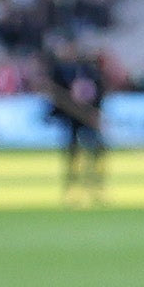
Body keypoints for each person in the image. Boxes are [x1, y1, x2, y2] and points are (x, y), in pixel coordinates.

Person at [42, 42, 110, 203]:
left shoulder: (89, 70)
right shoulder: (59, 71)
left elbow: (99, 90)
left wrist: (96, 111)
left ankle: (96, 186)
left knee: (97, 151)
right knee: (73, 153)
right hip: (72, 118)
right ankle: (72, 189)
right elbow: (55, 95)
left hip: (88, 116)